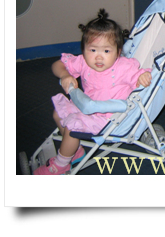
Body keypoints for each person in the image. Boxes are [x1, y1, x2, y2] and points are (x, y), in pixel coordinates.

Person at [34, 9, 152, 175]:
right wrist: (65, 75)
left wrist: (143, 77)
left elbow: (138, 77)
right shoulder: (83, 62)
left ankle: (61, 164)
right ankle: (76, 151)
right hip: (87, 108)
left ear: (118, 52)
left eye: (106, 51)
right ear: (84, 50)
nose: (98, 57)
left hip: (110, 117)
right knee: (57, 114)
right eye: (93, 50)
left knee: (72, 129)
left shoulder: (124, 67)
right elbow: (57, 65)